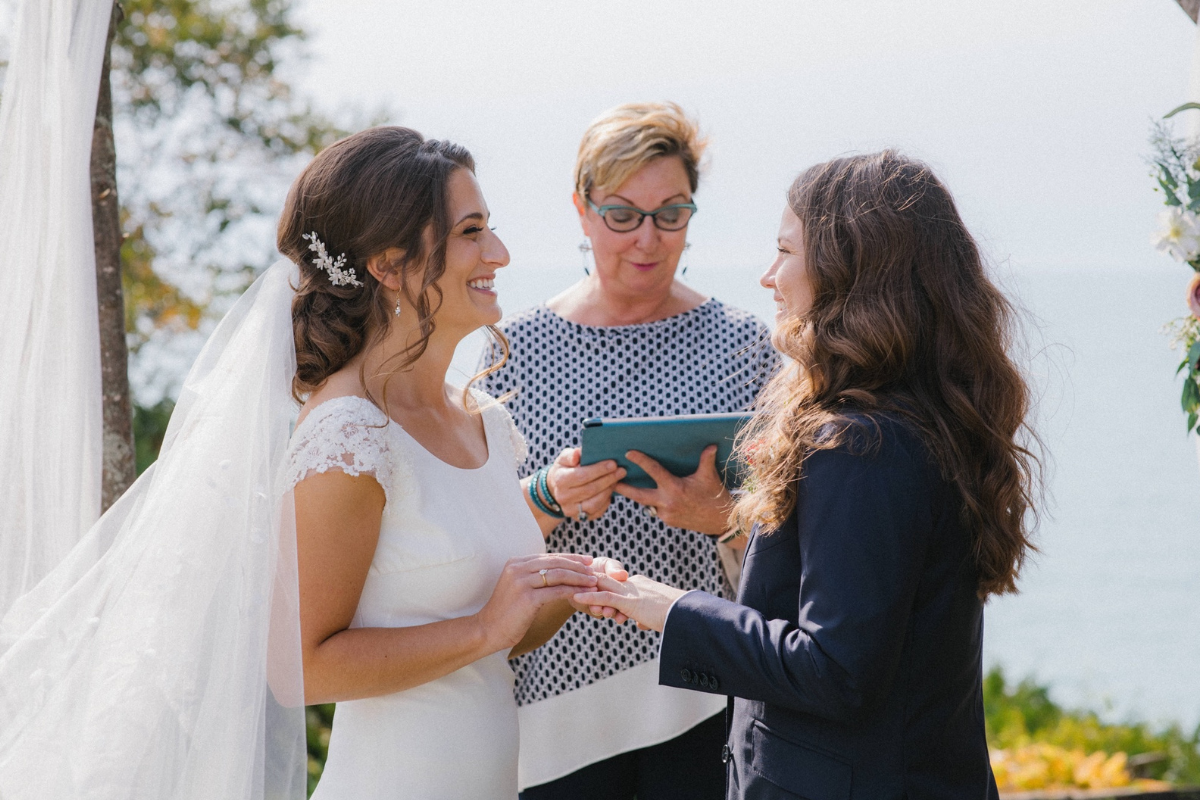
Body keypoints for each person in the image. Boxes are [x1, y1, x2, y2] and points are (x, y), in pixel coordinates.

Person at [0, 126, 623, 800]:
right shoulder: (352, 435)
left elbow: (486, 646)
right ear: (388, 266)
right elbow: (299, 668)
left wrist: (562, 592)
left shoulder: (488, 426)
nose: (498, 253)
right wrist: (483, 627)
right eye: (471, 231)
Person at [574, 151, 1041, 799]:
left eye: (784, 251)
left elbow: (836, 671)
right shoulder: (921, 417)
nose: (768, 277)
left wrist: (669, 608)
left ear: (848, 271)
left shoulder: (861, 442)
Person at [479, 102, 780, 799]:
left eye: (671, 213)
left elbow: (802, 529)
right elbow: (475, 531)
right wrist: (548, 501)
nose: (647, 238)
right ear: (582, 212)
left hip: (705, 688)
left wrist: (724, 517)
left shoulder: (745, 347)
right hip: (555, 695)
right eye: (622, 214)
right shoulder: (514, 352)